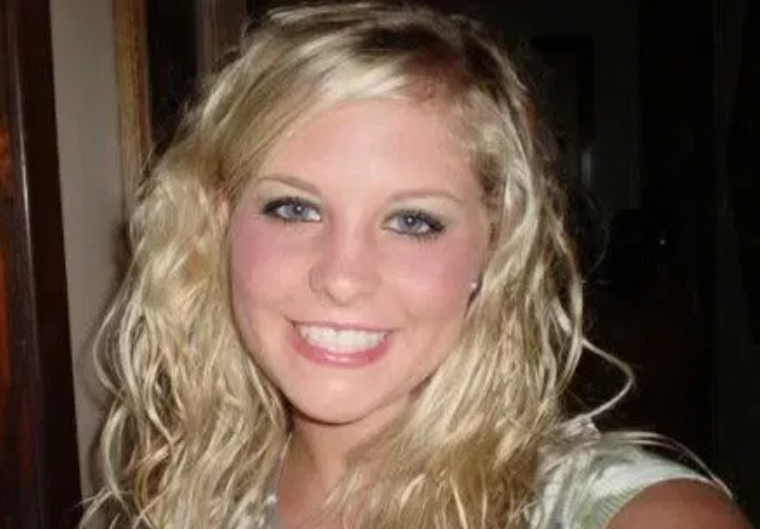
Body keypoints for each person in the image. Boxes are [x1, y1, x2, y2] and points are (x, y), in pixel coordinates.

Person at [84, 2, 752, 528]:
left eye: (412, 221)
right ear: (220, 225)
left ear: (495, 247)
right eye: (294, 208)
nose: (342, 277)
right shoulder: (193, 503)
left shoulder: (607, 508)